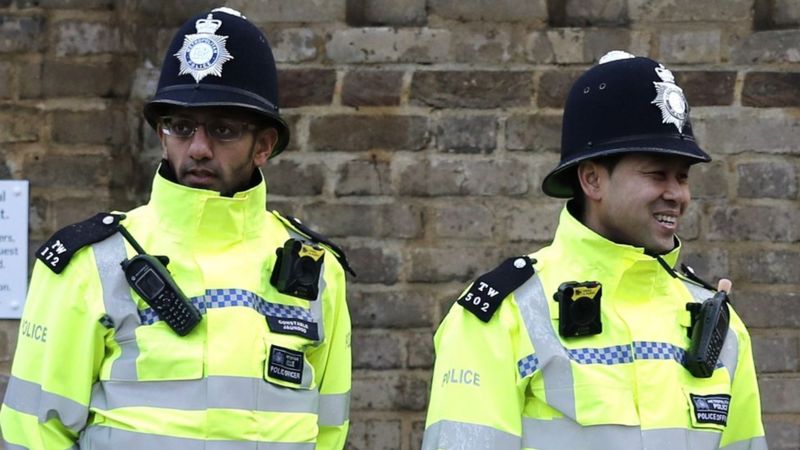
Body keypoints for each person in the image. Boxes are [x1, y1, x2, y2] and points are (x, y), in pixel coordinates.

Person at [0, 7, 352, 449]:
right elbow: (35, 431)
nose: (199, 148)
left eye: (223, 129)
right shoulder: (91, 262)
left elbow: (330, 429)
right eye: (181, 127)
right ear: (162, 135)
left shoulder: (317, 270)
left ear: (263, 145)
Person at [422, 51, 766, 450]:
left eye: (683, 177)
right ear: (592, 180)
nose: (676, 194)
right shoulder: (506, 315)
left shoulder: (720, 324)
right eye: (657, 174)